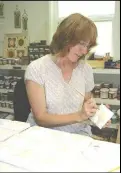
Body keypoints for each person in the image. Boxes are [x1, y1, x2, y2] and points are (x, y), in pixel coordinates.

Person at [24, 13, 110, 136]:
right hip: (44, 135)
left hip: (78, 134)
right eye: (81, 43)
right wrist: (79, 116)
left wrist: (97, 116)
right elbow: (41, 118)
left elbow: (86, 104)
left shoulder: (85, 70)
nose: (84, 51)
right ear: (65, 38)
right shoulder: (37, 69)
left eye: (87, 46)